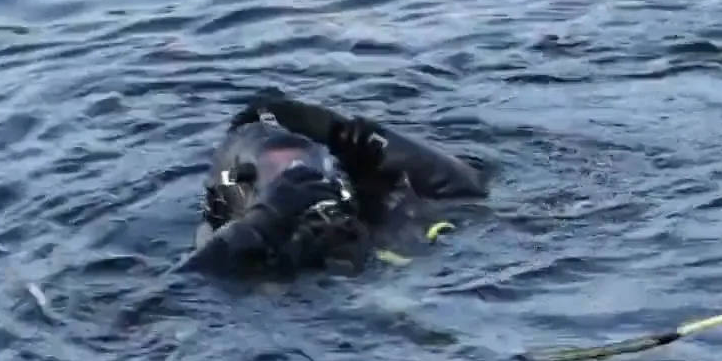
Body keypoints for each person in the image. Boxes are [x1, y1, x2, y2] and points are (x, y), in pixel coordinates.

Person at [176, 88, 488, 276]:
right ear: (229, 198)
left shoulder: (368, 225)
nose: (302, 182)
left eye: (310, 165)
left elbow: (470, 194)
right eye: (278, 174)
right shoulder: (224, 263)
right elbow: (181, 291)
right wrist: (267, 219)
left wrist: (366, 137)